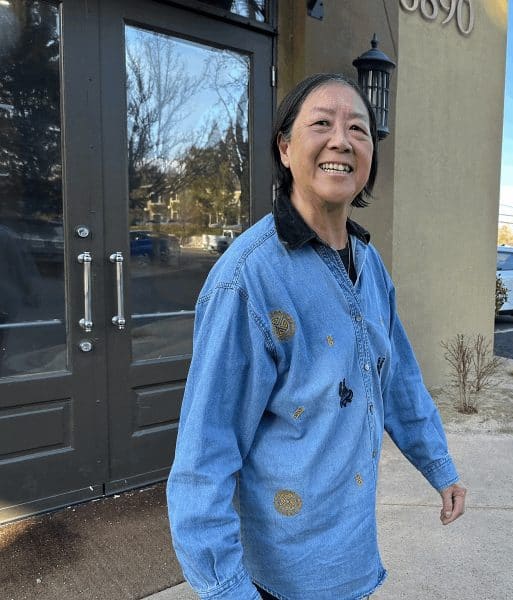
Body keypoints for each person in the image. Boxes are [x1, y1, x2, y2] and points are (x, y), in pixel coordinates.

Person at [166, 73, 466, 600]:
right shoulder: (249, 280)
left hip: (351, 560)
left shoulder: (370, 266)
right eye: (321, 124)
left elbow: (397, 381)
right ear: (285, 148)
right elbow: (204, 456)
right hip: (279, 578)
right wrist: (225, 588)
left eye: (359, 129)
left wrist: (439, 465)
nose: (341, 141)